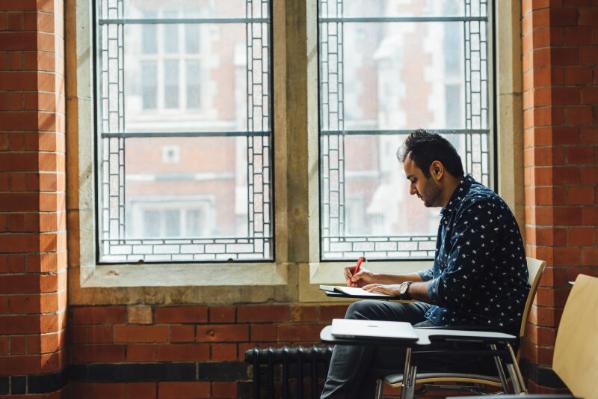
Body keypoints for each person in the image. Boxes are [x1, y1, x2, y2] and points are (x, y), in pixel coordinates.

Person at [321, 129, 530, 398]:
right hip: (449, 319)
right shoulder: (457, 207)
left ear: (437, 170)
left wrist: (402, 290)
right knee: (361, 311)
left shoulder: (479, 208)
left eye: (413, 179)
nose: (411, 190)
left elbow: (452, 289)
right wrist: (379, 278)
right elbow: (438, 274)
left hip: (475, 339)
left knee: (362, 345)